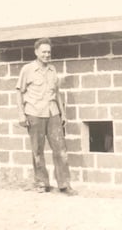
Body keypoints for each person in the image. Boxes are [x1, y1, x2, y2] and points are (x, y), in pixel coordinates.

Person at [16, 37, 77, 196]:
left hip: (53, 113)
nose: (46, 55)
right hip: (34, 113)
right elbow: (19, 92)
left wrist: (63, 113)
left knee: (60, 150)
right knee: (37, 150)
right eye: (43, 52)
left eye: (49, 52)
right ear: (36, 52)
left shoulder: (52, 70)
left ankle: (64, 184)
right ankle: (42, 183)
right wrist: (21, 114)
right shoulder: (27, 69)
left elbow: (56, 93)